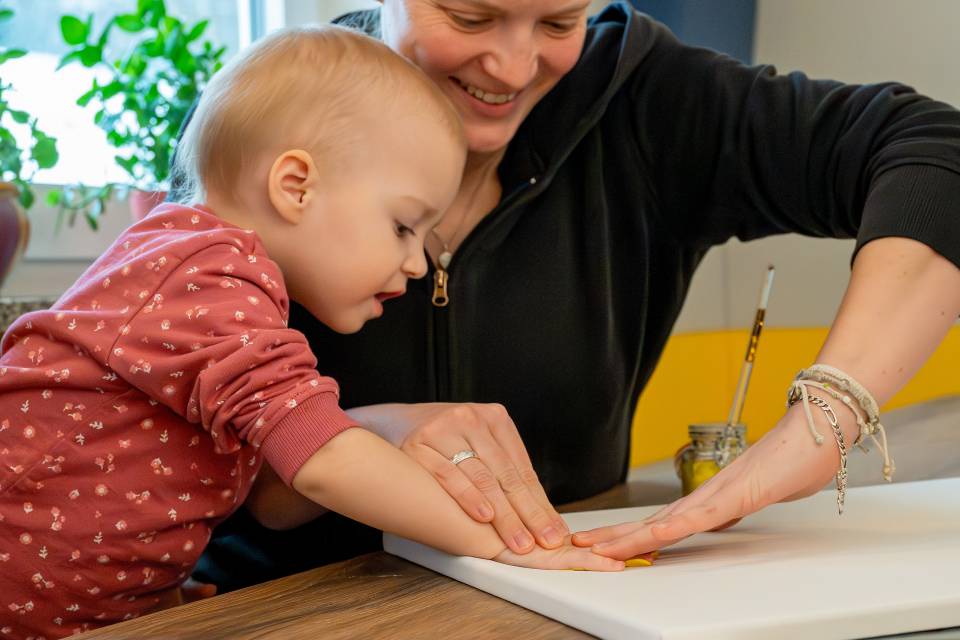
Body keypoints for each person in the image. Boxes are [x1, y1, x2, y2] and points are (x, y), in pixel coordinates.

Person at [187, 0, 960, 590]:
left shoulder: (648, 100)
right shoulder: (276, 106)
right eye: (471, 14)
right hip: (284, 606)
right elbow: (210, 473)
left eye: (561, 20)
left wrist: (826, 419)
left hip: (560, 599)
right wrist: (365, 430)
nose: (515, 68)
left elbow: (936, 152)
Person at [0, 26, 628, 639]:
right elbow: (321, 462)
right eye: (404, 226)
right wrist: (505, 547)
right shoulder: (205, 273)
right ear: (295, 186)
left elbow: (250, 496)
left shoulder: (207, 273)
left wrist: (145, 586)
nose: (416, 263)